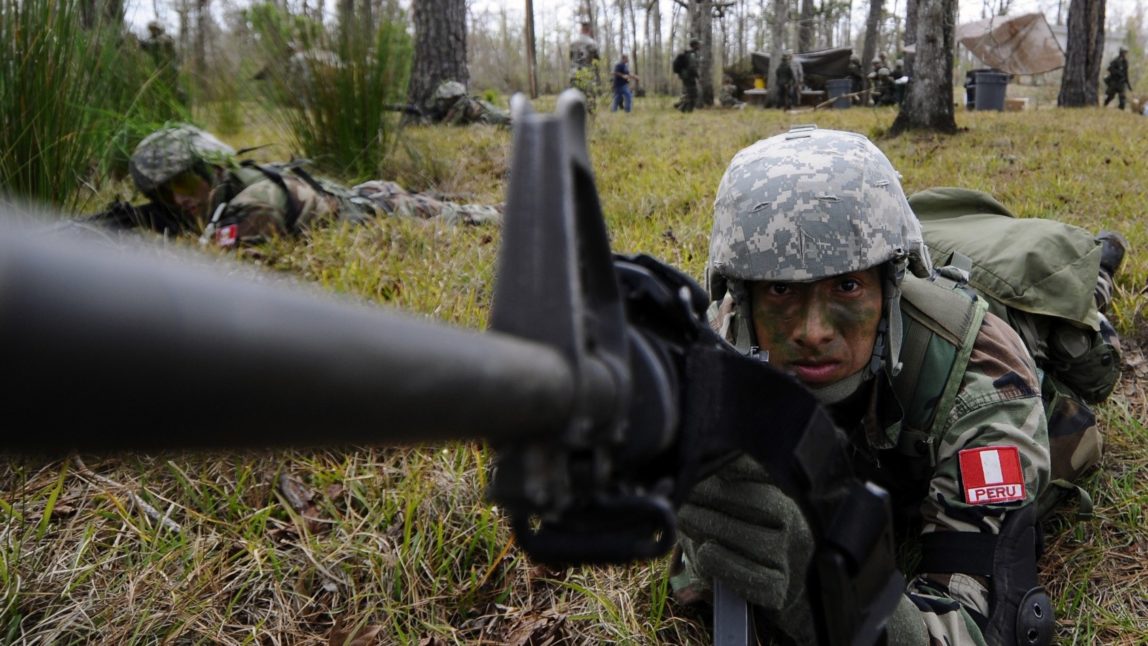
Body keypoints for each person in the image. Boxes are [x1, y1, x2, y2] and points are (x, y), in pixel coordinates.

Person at [670, 126, 1126, 644]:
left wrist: (824, 592)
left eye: (847, 286)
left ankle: (1099, 272)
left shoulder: (980, 378)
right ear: (743, 297)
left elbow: (981, 623)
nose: (813, 331)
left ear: (888, 290)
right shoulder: (722, 343)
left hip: (1014, 333)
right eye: (780, 289)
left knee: (1086, 360)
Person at [102, 124, 501, 245]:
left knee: (467, 216)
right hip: (353, 193)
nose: (179, 198)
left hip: (372, 209)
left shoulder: (254, 207)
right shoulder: (221, 193)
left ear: (214, 170)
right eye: (162, 194)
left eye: (186, 181)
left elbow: (230, 274)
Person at [422, 81, 511, 127]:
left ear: (452, 97)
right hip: (485, 114)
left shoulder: (461, 103)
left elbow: (450, 123)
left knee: (507, 118)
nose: (444, 102)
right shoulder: (460, 103)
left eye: (445, 100)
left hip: (487, 115)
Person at [140, 20, 183, 104]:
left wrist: (144, 44)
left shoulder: (164, 38)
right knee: (160, 91)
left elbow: (156, 45)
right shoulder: (153, 39)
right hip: (160, 70)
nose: (153, 32)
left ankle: (180, 106)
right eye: (151, 30)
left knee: (173, 90)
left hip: (170, 69)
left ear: (159, 29)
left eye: (154, 29)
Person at [569, 21, 601, 112]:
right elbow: (597, 59)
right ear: (589, 30)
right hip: (588, 75)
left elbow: (571, 58)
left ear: (581, 30)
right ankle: (590, 119)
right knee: (590, 98)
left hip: (575, 74)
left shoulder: (573, 43)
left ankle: (575, 118)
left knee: (575, 98)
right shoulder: (593, 44)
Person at [674, 39, 702, 113]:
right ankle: (685, 109)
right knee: (693, 93)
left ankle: (682, 107)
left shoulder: (690, 53)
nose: (700, 46)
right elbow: (692, 67)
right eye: (698, 44)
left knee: (688, 93)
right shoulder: (692, 54)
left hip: (686, 76)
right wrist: (697, 76)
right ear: (694, 45)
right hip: (689, 76)